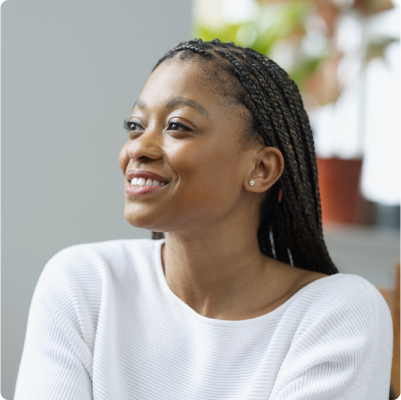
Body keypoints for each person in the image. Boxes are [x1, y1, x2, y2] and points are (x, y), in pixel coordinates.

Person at [14, 39, 393, 399]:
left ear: (261, 168)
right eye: (135, 125)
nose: (138, 148)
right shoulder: (84, 283)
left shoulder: (337, 312)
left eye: (177, 125)